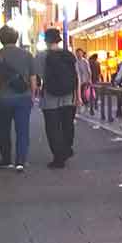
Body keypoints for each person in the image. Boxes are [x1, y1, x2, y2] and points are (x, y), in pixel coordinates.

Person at [0, 26, 36, 171]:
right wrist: (32, 95)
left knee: (3, 129)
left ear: (1, 39)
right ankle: (20, 161)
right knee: (22, 130)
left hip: (2, 98)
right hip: (23, 97)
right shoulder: (27, 55)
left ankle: (6, 160)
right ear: (16, 37)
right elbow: (33, 78)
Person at [35, 28, 82, 169]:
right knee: (67, 125)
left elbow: (37, 77)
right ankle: (67, 148)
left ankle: (58, 158)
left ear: (46, 41)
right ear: (59, 40)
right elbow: (77, 77)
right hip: (69, 97)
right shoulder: (69, 55)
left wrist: (35, 91)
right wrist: (78, 96)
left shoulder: (41, 56)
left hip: (49, 99)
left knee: (53, 128)